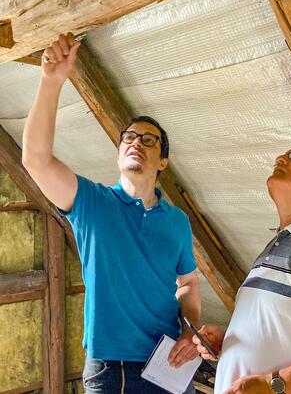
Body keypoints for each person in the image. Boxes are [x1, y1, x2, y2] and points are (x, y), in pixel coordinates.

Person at [22, 34, 201, 394]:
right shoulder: (92, 202)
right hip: (111, 369)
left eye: (148, 140)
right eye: (129, 138)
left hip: (167, 362)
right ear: (120, 155)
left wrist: (188, 329)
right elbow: (36, 160)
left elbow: (189, 283)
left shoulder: (177, 221)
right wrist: (51, 81)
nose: (136, 142)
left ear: (163, 161)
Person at [193, 143, 291, 394]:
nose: (280, 157)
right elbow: (284, 331)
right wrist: (230, 341)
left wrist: (274, 384)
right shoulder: (281, 243)